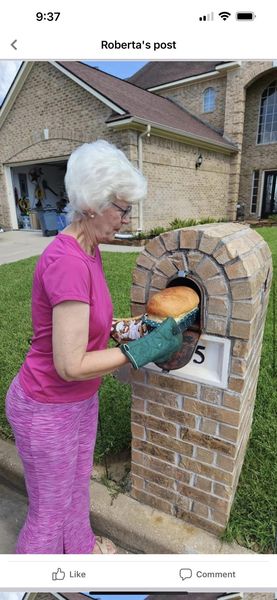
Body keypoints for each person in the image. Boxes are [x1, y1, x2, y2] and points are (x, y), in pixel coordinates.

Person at [5, 140, 182, 554]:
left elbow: (92, 327)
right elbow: (69, 364)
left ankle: (81, 562)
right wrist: (143, 351)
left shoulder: (90, 249)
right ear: (90, 204)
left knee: (76, 495)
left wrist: (139, 329)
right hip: (46, 408)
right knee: (48, 516)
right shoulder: (67, 261)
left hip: (80, 401)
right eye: (121, 208)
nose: (126, 218)